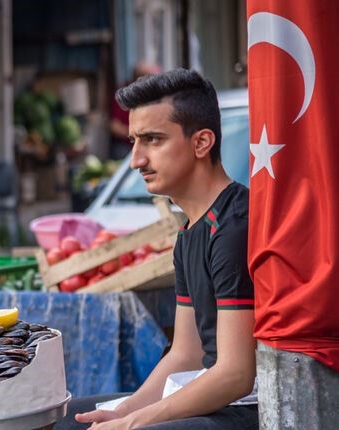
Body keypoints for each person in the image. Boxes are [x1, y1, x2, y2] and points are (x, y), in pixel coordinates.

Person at [70, 69, 257, 429]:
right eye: (133, 142)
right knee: (64, 417)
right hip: (212, 395)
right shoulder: (189, 231)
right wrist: (122, 412)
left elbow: (236, 374)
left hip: (251, 405)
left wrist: (134, 423)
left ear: (202, 143)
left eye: (153, 140)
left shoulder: (234, 226)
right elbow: (186, 354)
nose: (137, 159)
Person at [109, 62, 161, 159]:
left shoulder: (156, 96)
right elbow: (114, 126)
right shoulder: (123, 95)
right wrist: (137, 135)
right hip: (125, 146)